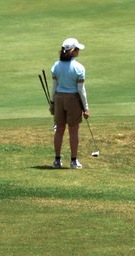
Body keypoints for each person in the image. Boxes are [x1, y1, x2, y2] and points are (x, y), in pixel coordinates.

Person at [50, 37, 90, 169]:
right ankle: (73, 161)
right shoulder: (79, 68)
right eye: (77, 49)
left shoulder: (56, 66)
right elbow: (81, 90)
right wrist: (86, 108)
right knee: (73, 131)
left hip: (59, 99)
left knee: (59, 130)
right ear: (73, 51)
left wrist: (52, 103)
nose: (79, 51)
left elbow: (54, 87)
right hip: (73, 100)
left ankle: (57, 160)